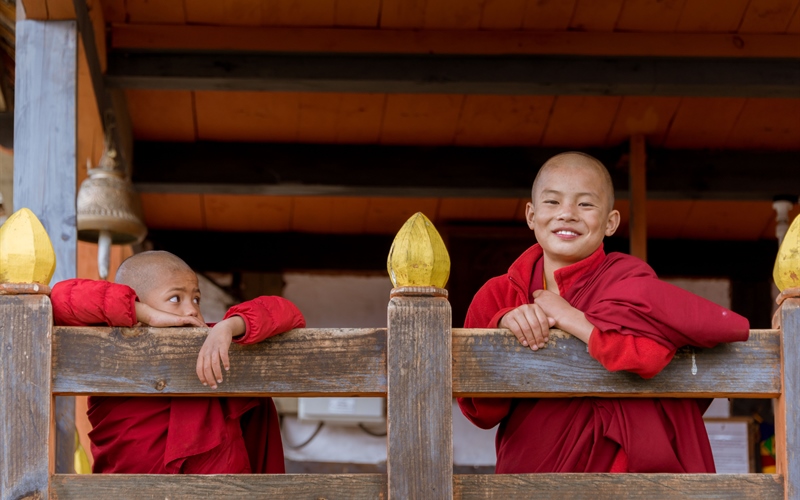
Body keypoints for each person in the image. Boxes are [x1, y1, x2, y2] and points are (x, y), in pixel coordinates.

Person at [457, 152, 750, 473]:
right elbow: (479, 411)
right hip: (531, 475)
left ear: (610, 222)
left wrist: (571, 318)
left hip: (622, 474)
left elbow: (648, 355)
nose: (567, 214)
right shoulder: (498, 294)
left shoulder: (628, 280)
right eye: (552, 202)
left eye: (585, 204)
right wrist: (500, 331)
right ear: (531, 214)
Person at [51, 250, 305, 474]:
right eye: (175, 299)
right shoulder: (110, 350)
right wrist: (147, 315)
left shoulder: (214, 344)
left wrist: (229, 326)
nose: (192, 309)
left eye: (196, 299)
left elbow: (289, 313)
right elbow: (61, 298)